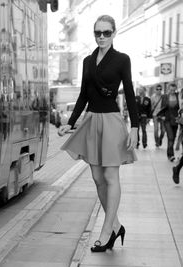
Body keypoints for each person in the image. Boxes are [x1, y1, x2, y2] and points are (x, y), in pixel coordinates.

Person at [58, 15, 138, 253]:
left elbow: (131, 93)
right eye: (97, 33)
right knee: (97, 178)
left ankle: (105, 231)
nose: (101, 37)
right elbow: (83, 94)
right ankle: (116, 225)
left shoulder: (122, 59)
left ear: (114, 33)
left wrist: (134, 126)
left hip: (112, 122)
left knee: (111, 177)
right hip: (91, 121)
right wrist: (70, 123)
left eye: (106, 32)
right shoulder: (87, 61)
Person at [158, 83, 179, 162]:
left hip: (176, 120)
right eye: (171, 90)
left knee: (173, 138)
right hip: (167, 120)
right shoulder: (165, 97)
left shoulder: (178, 96)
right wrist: (162, 116)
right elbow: (162, 107)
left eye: (174, 90)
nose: (172, 91)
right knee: (170, 137)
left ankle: (169, 153)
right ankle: (171, 155)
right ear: (168, 89)